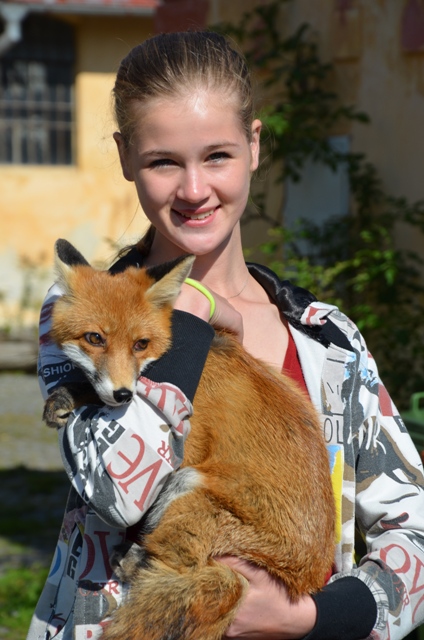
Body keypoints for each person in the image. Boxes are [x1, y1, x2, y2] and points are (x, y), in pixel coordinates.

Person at [27, 30, 424, 640]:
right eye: (163, 161)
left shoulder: (330, 343)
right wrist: (186, 321)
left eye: (217, 156)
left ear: (254, 146)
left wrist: (309, 617)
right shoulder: (83, 314)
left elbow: (416, 527)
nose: (194, 190)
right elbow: (120, 494)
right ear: (126, 157)